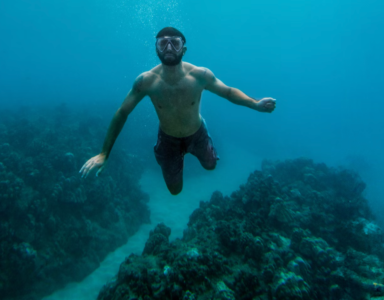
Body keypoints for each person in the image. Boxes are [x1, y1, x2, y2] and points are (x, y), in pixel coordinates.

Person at [80, 27, 276, 195]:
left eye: (175, 43)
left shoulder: (200, 75)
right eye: (162, 43)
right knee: (175, 191)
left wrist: (255, 104)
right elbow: (122, 113)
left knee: (211, 165)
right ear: (156, 49)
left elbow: (228, 92)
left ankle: (203, 132)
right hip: (168, 139)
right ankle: (163, 151)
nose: (169, 48)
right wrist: (104, 153)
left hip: (197, 133)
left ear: (184, 49)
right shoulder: (146, 81)